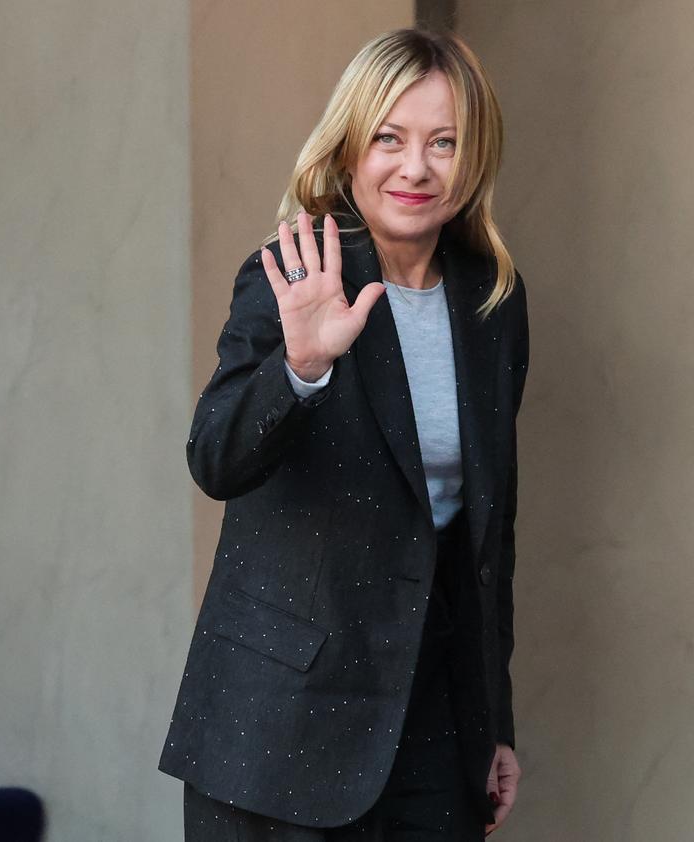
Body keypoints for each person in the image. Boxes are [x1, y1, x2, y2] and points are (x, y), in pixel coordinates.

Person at [159, 29, 529, 840]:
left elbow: (485, 535)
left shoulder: (490, 301)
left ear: (475, 159)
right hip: (280, 728)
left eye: (444, 143)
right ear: (350, 147)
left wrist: (492, 718)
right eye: (389, 139)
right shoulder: (293, 269)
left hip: (431, 724)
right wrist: (299, 364)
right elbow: (214, 456)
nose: (416, 168)